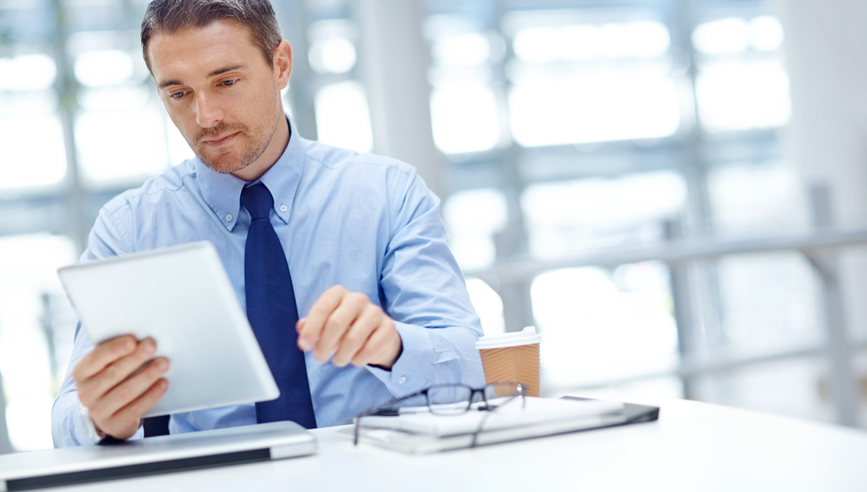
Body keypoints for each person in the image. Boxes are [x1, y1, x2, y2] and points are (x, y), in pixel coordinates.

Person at [51, 0, 485, 447]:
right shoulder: (130, 229)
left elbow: (470, 361)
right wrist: (97, 417)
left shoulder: (387, 194)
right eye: (179, 93)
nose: (206, 116)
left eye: (227, 81)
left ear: (280, 66)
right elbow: (67, 416)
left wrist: (392, 345)